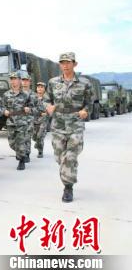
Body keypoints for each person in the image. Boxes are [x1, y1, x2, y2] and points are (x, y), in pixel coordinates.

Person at [46, 52, 92, 203]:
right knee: (60, 157)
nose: (65, 65)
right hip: (58, 123)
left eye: (68, 62)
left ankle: (68, 187)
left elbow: (90, 102)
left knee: (70, 156)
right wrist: (48, 107)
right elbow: (46, 99)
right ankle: (68, 170)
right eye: (62, 62)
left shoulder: (84, 83)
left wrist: (86, 111)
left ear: (74, 64)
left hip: (75, 123)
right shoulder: (53, 82)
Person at [2, 72, 34, 170]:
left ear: (20, 80)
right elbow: (1, 106)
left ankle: (21, 161)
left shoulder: (26, 94)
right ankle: (21, 153)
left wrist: (29, 109)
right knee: (12, 143)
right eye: (11, 79)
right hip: (11, 122)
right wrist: (4, 111)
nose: (13, 81)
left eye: (15, 78)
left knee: (21, 142)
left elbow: (33, 107)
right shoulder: (6, 94)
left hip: (22, 122)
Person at [21, 72, 39, 163]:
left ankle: (27, 154)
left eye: (26, 80)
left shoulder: (34, 95)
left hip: (29, 119)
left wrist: (30, 110)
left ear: (30, 82)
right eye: (23, 80)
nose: (24, 82)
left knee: (27, 137)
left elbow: (39, 109)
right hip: (18, 120)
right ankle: (20, 153)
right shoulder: (17, 93)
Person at [33, 82, 50, 158]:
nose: (39, 88)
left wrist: (47, 113)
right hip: (34, 120)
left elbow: (50, 108)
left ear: (44, 89)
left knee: (40, 136)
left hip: (43, 121)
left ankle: (40, 151)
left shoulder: (48, 98)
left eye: (42, 87)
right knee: (34, 137)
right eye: (38, 87)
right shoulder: (33, 97)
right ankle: (37, 143)